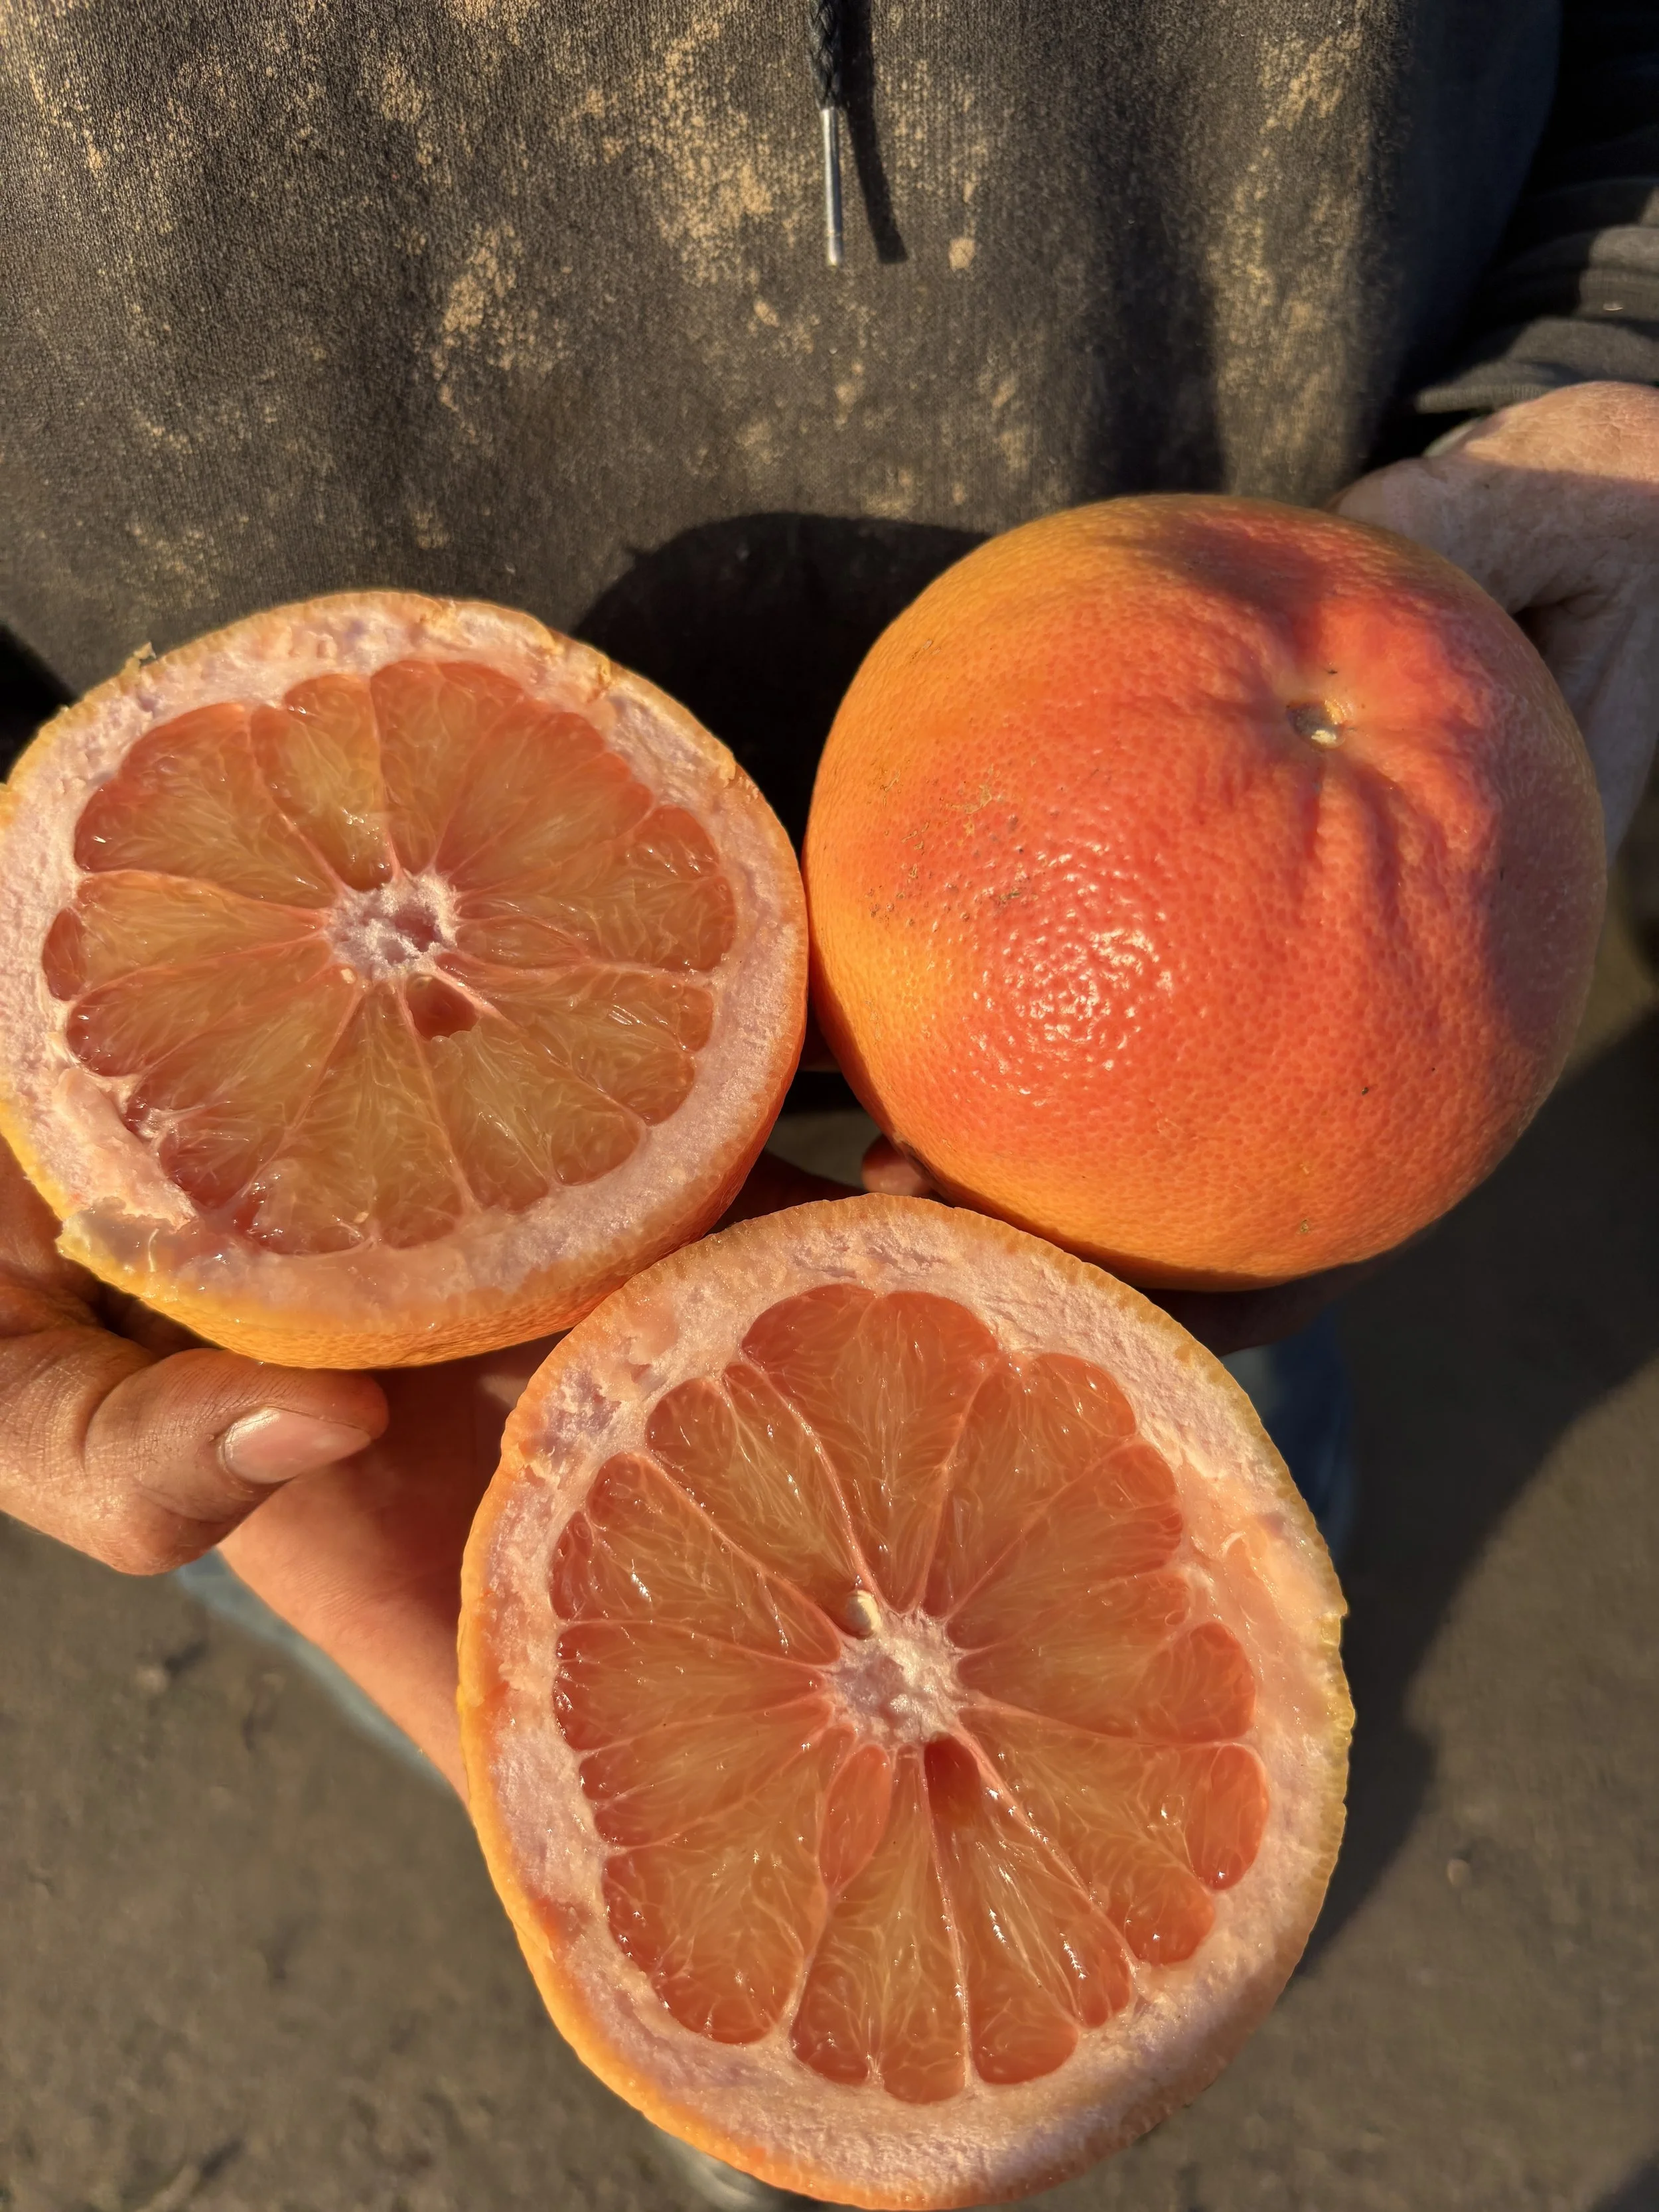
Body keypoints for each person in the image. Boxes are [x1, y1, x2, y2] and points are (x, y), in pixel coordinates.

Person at [1, 7, 1657, 2194]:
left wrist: (1603, 388)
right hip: (316, 1205)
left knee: (1197, 1582)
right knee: (640, 1761)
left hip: (1236, 1044)